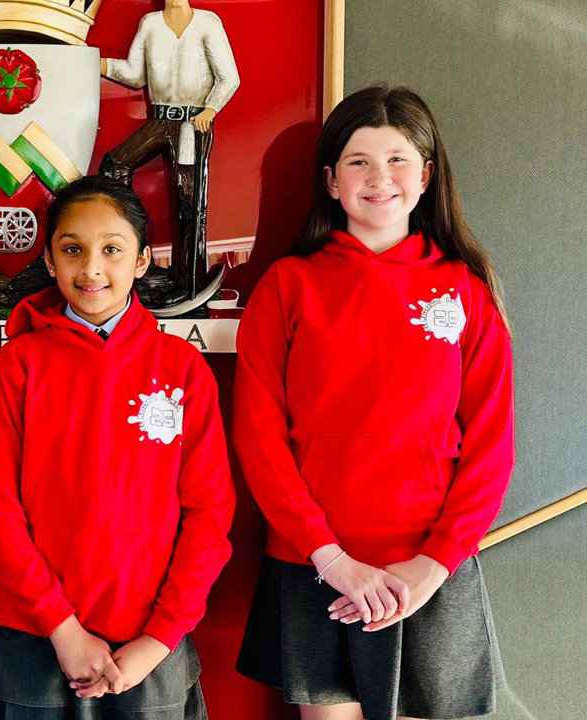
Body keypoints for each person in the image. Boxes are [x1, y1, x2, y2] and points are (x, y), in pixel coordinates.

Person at [233, 85, 514, 720]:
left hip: (429, 566)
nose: (379, 178)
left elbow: (492, 446)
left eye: (397, 159)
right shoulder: (289, 285)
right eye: (359, 161)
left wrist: (434, 564)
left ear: (427, 176)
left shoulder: (465, 292)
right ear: (331, 181)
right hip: (317, 563)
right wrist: (329, 556)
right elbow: (259, 436)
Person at [0, 175, 235, 719]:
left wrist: (158, 640)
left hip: (151, 642)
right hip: (38, 637)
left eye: (112, 249)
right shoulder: (18, 366)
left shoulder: (182, 369)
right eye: (72, 249)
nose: (91, 268)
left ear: (141, 261)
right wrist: (63, 629)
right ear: (49, 260)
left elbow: (209, 516)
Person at [99, 0, 240, 303]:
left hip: (193, 123)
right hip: (160, 119)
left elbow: (229, 77)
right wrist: (101, 65)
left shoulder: (207, 23)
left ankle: (189, 280)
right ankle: (132, 255)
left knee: (190, 203)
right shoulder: (150, 23)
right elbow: (136, 75)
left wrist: (211, 108)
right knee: (115, 164)